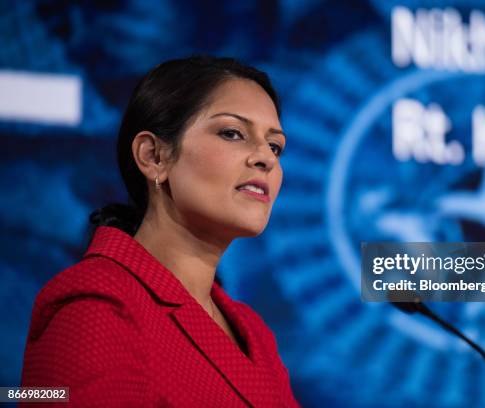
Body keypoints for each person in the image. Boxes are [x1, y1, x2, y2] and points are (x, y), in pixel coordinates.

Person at [20, 55, 300, 407]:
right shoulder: (95, 305)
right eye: (232, 133)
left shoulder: (252, 332)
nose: (266, 158)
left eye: (275, 145)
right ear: (153, 156)